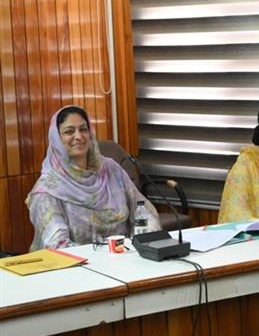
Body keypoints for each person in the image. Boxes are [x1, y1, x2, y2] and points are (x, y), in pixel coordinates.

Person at [26, 106, 160, 251]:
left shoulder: (111, 169)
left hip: (125, 256)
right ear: (56, 139)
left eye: (83, 129)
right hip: (80, 263)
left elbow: (142, 210)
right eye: (69, 131)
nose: (78, 136)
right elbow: (58, 245)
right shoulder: (47, 190)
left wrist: (141, 241)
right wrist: (103, 255)